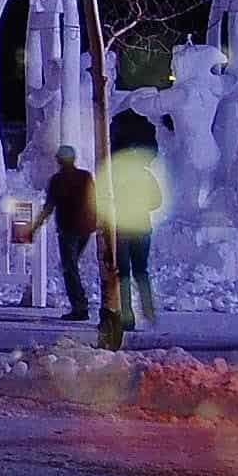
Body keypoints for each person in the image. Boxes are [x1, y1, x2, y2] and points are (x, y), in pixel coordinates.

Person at [106, 113, 164, 329]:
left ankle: (127, 315)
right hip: (141, 227)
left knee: (123, 273)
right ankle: (148, 311)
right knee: (142, 271)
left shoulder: (117, 177)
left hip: (122, 228)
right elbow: (157, 201)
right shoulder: (146, 175)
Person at [46, 143, 97, 321]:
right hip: (86, 227)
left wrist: (34, 227)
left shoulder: (57, 180)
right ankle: (81, 302)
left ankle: (80, 306)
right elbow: (94, 200)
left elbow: (49, 207)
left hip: (68, 228)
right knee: (71, 266)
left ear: (59, 160)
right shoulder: (85, 177)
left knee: (70, 268)